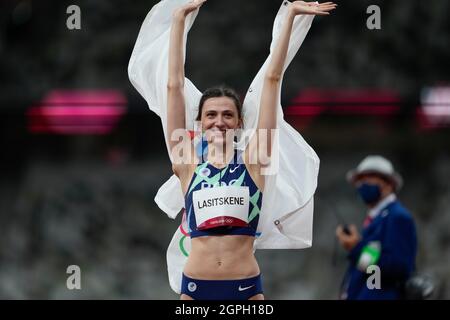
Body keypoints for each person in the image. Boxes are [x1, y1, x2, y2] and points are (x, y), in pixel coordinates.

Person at [128, 0, 333, 300]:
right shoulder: (186, 162)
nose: (219, 121)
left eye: (227, 115)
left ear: (239, 124)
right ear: (200, 123)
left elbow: (273, 80)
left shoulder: (254, 160)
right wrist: (178, 22)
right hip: (196, 289)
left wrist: (289, 16)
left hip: (246, 288)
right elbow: (173, 86)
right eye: (211, 115)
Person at [336, 155, 418, 300]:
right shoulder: (378, 218)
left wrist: (356, 248)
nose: (362, 183)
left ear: (389, 184)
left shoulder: (398, 217)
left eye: (369, 177)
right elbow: (372, 265)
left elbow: (398, 267)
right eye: (359, 179)